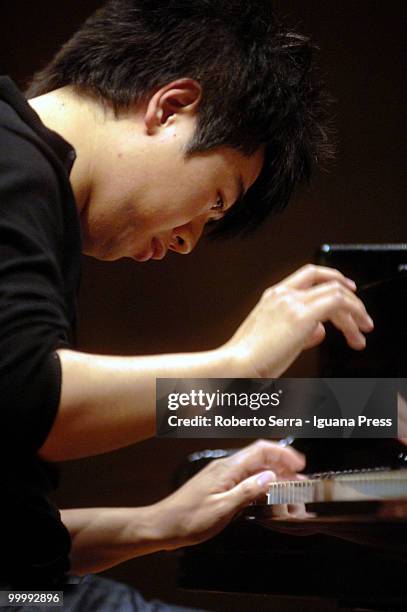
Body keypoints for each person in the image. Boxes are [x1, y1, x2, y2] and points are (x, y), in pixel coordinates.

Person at [0, 0, 374, 608]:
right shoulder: (11, 162)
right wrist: (242, 362)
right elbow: (27, 401)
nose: (187, 240)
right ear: (170, 107)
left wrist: (159, 523)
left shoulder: (32, 180)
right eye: (217, 202)